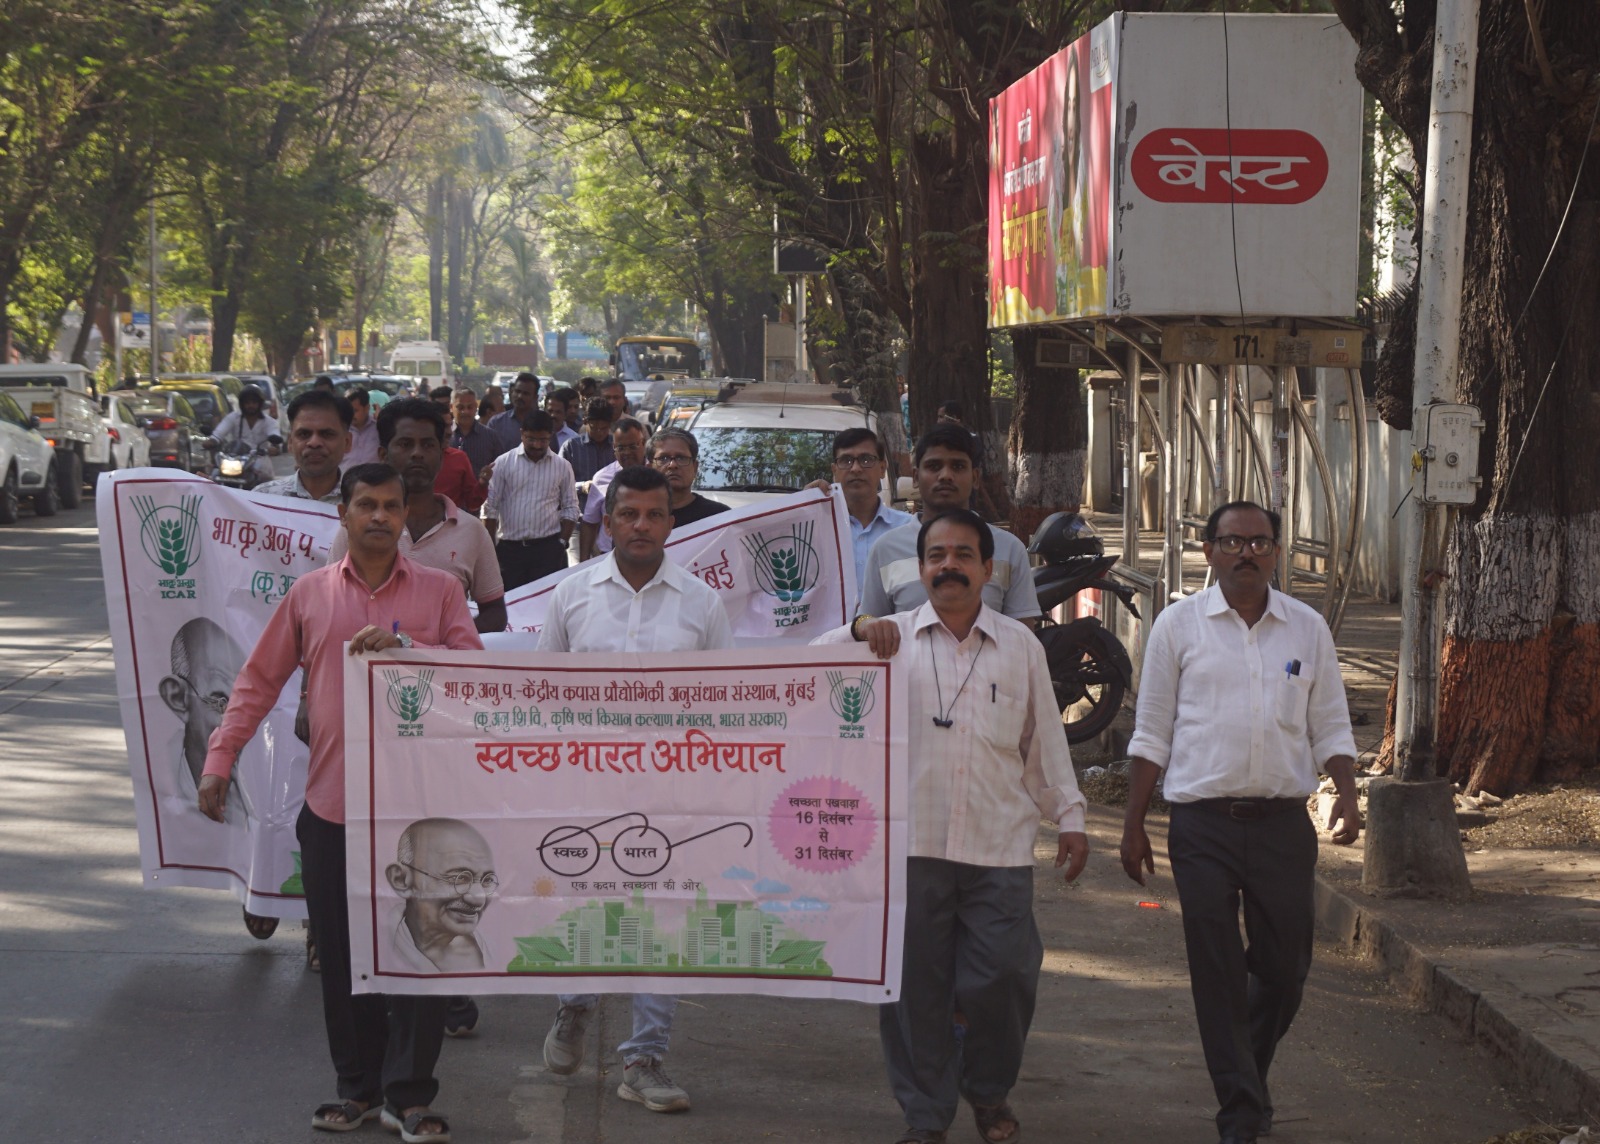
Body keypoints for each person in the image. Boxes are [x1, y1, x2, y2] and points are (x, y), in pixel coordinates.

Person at [199, 462, 481, 1141]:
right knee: (345, 963)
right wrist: (218, 759)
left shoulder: (440, 595)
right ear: (344, 516)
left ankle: (408, 1098)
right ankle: (355, 1090)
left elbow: (479, 678)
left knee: (419, 956)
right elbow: (256, 683)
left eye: (392, 505)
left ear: (405, 515)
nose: (381, 516)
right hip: (331, 809)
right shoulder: (310, 596)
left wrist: (408, 649)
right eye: (367, 506)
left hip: (421, 813)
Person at [816, 509, 1088, 1144]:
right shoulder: (887, 639)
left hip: (998, 845)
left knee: (1002, 977)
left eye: (963, 555)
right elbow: (802, 676)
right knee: (914, 993)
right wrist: (857, 627)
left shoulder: (1019, 645)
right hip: (908, 846)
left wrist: (1070, 817)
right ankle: (926, 1116)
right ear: (920, 568)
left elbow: (1042, 741)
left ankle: (988, 1090)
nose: (949, 566)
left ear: (988, 571)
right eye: (936, 556)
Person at [1121, 500, 1362, 1144]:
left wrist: (1347, 791)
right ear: (1210, 551)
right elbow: (1152, 732)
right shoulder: (1178, 627)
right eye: (1233, 543)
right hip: (1202, 825)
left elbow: (1330, 721)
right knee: (1218, 967)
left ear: (1277, 552)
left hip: (1284, 826)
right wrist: (1134, 821)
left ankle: (1245, 1078)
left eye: (1259, 543)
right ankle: (1241, 1111)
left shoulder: (1306, 629)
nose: (1246, 554)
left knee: (1284, 973)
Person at [537, 465, 732, 1115]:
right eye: (629, 515)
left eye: (654, 514)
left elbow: (725, 704)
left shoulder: (702, 604)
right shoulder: (572, 596)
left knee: (662, 922)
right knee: (585, 908)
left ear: (671, 522)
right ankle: (573, 1006)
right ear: (608, 522)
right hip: (583, 791)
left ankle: (644, 1059)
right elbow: (543, 695)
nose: (642, 525)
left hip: (672, 794)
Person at [328, 398, 507, 635]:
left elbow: (495, 613)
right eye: (405, 444)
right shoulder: (358, 527)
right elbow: (330, 602)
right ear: (383, 454)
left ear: (442, 455)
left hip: (442, 671)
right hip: (366, 668)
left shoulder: (472, 531)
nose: (417, 454)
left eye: (428, 445)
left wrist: (443, 644)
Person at [858, 424, 1040, 622]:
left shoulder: (1010, 549)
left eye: (958, 466)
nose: (945, 475)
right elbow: (869, 629)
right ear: (916, 477)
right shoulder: (885, 549)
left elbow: (1022, 638)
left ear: (975, 477)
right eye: (934, 466)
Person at [160, 618, 272, 940]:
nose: (245, 719)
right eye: (224, 701)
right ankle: (260, 885)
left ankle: (311, 922)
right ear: (178, 697)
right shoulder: (166, 773)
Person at [805, 427, 914, 597]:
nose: (855, 468)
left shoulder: (908, 530)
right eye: (846, 460)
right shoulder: (814, 528)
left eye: (866, 459)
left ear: (882, 468)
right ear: (834, 470)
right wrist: (801, 514)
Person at [385, 818, 497, 973]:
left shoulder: (494, 950)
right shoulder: (378, 947)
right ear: (401, 879)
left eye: (487, 880)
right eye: (459, 878)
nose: (479, 898)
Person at [482, 411, 578, 589]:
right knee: (510, 606)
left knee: (546, 607)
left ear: (551, 436)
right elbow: (490, 509)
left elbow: (571, 508)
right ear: (521, 434)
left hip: (548, 550)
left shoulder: (562, 466)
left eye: (543, 440)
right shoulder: (503, 463)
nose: (536, 445)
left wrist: (561, 543)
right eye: (531, 439)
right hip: (510, 552)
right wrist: (490, 551)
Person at [257, 390, 352, 504]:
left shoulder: (364, 502)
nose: (314, 443)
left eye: (327, 434)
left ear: (347, 442)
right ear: (290, 442)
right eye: (304, 434)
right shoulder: (262, 498)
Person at [577, 417, 647, 561]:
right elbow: (590, 523)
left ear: (643, 444)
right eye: (621, 448)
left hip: (648, 554)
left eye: (632, 446)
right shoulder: (601, 478)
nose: (627, 452)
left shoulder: (658, 474)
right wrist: (584, 561)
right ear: (614, 448)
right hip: (608, 556)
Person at [645, 427, 729, 528]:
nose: (672, 465)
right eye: (664, 458)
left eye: (681, 458)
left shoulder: (721, 517)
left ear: (695, 467)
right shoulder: (637, 517)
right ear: (650, 469)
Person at [207, 385, 280, 485]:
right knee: (214, 474)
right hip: (236, 459)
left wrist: (274, 447)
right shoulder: (233, 417)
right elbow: (219, 432)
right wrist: (211, 441)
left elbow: (274, 435)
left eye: (254, 402)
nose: (251, 406)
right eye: (247, 403)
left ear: (260, 404)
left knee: (266, 480)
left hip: (260, 460)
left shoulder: (270, 422)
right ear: (242, 404)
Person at [560, 397, 615, 490]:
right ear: (585, 422)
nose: (600, 432)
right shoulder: (571, 447)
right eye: (594, 428)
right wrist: (583, 486)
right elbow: (559, 482)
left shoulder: (617, 447)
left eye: (604, 428)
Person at [450, 387, 500, 477]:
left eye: (470, 407)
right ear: (451, 407)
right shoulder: (442, 435)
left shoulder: (490, 436)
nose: (465, 411)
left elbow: (499, 469)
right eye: (460, 407)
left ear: (476, 406)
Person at [487, 373, 540, 453]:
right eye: (517, 391)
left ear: (535, 397)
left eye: (525, 393)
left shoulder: (544, 424)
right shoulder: (496, 423)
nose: (519, 396)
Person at [344, 388, 381, 467]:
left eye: (355, 411)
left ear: (367, 408)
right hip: (345, 478)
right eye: (347, 410)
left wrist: (382, 421)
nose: (350, 414)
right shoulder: (340, 429)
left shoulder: (379, 427)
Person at [544, 386, 580, 451]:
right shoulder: (534, 435)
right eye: (550, 411)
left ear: (565, 414)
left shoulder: (575, 439)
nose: (553, 415)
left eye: (558, 412)